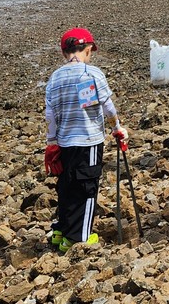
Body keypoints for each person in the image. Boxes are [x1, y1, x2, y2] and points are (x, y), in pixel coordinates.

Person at [44, 28, 125, 251]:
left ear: (64, 53)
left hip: (64, 141)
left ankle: (62, 229)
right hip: (88, 140)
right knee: (87, 188)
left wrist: (51, 142)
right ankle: (79, 237)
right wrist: (117, 128)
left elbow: (49, 114)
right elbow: (107, 106)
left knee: (67, 186)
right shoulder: (92, 73)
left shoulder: (55, 77)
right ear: (88, 50)